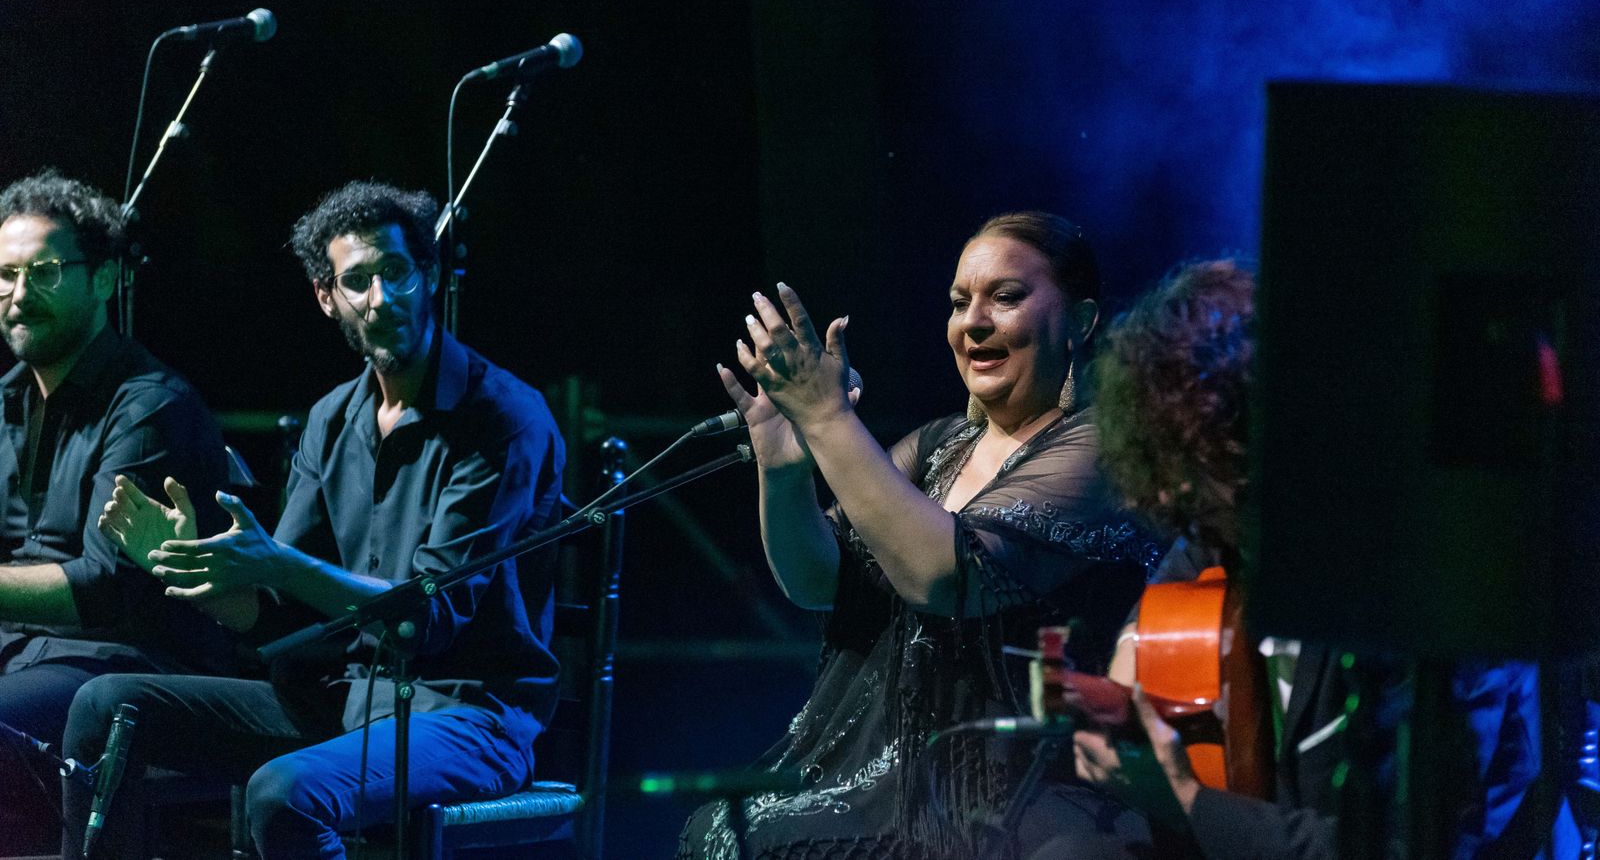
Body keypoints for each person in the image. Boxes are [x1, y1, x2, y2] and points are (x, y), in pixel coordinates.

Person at [64, 181, 566, 859]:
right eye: (358, 281)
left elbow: (429, 618)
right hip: (345, 703)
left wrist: (278, 564)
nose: (382, 299)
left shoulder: (503, 418)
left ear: (430, 275)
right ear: (326, 298)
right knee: (104, 705)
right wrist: (206, 575)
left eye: (396, 272)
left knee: (284, 793)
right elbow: (283, 620)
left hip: (468, 714)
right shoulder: (332, 419)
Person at [677, 212, 1165, 859]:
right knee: (721, 828)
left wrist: (827, 418)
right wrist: (785, 469)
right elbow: (818, 580)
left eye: (1006, 297)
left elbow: (944, 576)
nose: (974, 322)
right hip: (895, 773)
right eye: (960, 303)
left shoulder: (1103, 448)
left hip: (1039, 785)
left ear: (1079, 321)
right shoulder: (935, 448)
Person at [1073, 259, 1544, 859]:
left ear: (1257, 440)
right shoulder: (1227, 529)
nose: (1166, 494)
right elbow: (1164, 609)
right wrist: (1126, 678)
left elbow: (1401, 848)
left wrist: (1187, 802)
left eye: (1189, 463)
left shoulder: (1424, 590)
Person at [0, 171, 233, 855]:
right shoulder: (7, 400)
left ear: (102, 280)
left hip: (126, 665)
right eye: (4, 276)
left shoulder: (149, 404)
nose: (18, 296)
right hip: (24, 655)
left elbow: (106, 586)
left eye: (42, 272)